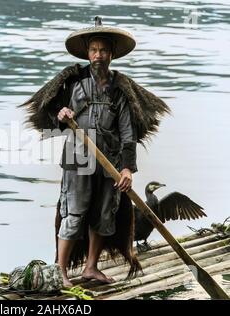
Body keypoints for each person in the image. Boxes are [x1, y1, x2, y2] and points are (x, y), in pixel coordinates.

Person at [20, 16, 170, 288]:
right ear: (87, 53)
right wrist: (61, 114)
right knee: (73, 213)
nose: (98, 56)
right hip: (78, 159)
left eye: (103, 50)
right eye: (93, 50)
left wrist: (126, 169)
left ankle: (91, 268)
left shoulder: (121, 90)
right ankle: (61, 271)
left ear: (111, 54)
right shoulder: (72, 81)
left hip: (110, 162)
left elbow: (128, 133)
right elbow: (52, 112)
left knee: (104, 215)